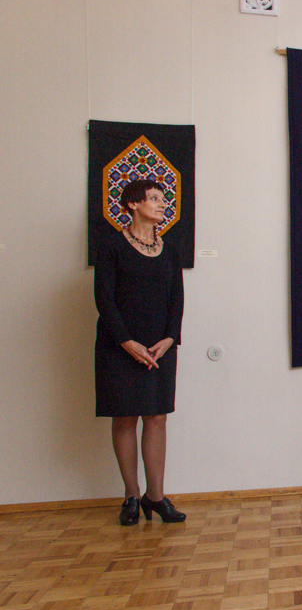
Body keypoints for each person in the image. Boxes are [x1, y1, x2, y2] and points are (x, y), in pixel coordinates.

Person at [94, 179, 185, 525]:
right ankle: (131, 496)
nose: (162, 205)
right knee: (124, 418)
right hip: (119, 347)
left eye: (163, 199)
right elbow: (104, 299)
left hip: (159, 348)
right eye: (154, 198)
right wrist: (126, 342)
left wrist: (170, 339)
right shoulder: (111, 246)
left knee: (157, 418)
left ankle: (156, 497)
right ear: (133, 204)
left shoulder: (170, 249)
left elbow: (177, 299)